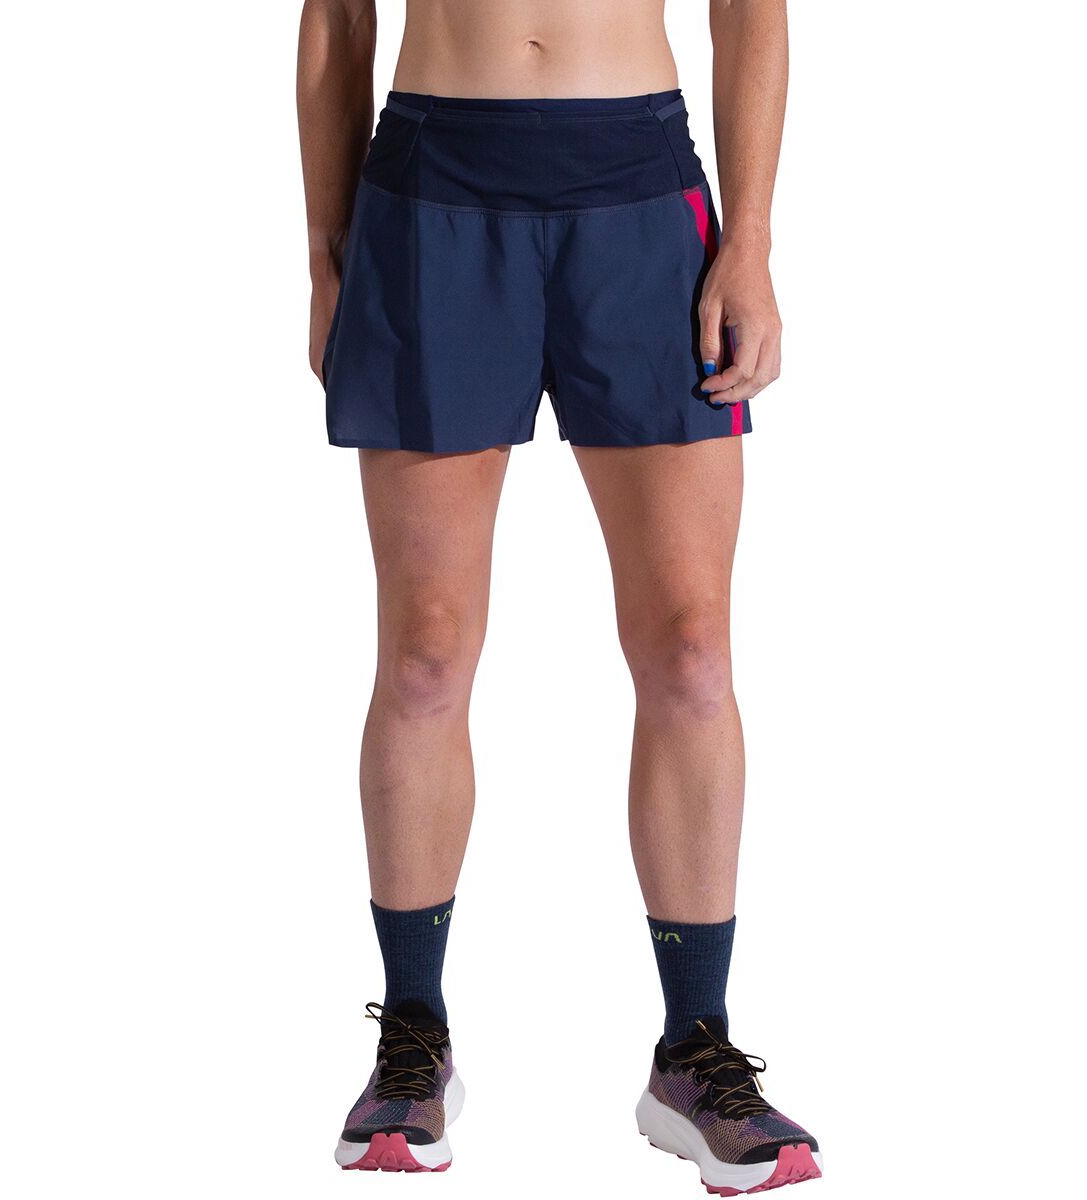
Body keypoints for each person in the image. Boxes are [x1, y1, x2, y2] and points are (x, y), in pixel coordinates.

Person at [296, 1, 820, 1191]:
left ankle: (694, 1050)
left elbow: (749, 9)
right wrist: (324, 250)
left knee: (691, 650)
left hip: (637, 186)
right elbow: (336, 13)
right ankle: (413, 1036)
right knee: (425, 655)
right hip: (433, 184)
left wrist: (750, 241)